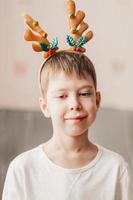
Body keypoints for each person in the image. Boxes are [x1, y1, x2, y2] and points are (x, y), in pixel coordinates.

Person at [2, 50, 133, 200]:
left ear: (97, 101)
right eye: (62, 96)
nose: (74, 104)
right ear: (45, 106)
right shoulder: (23, 169)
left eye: (84, 94)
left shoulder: (116, 168)